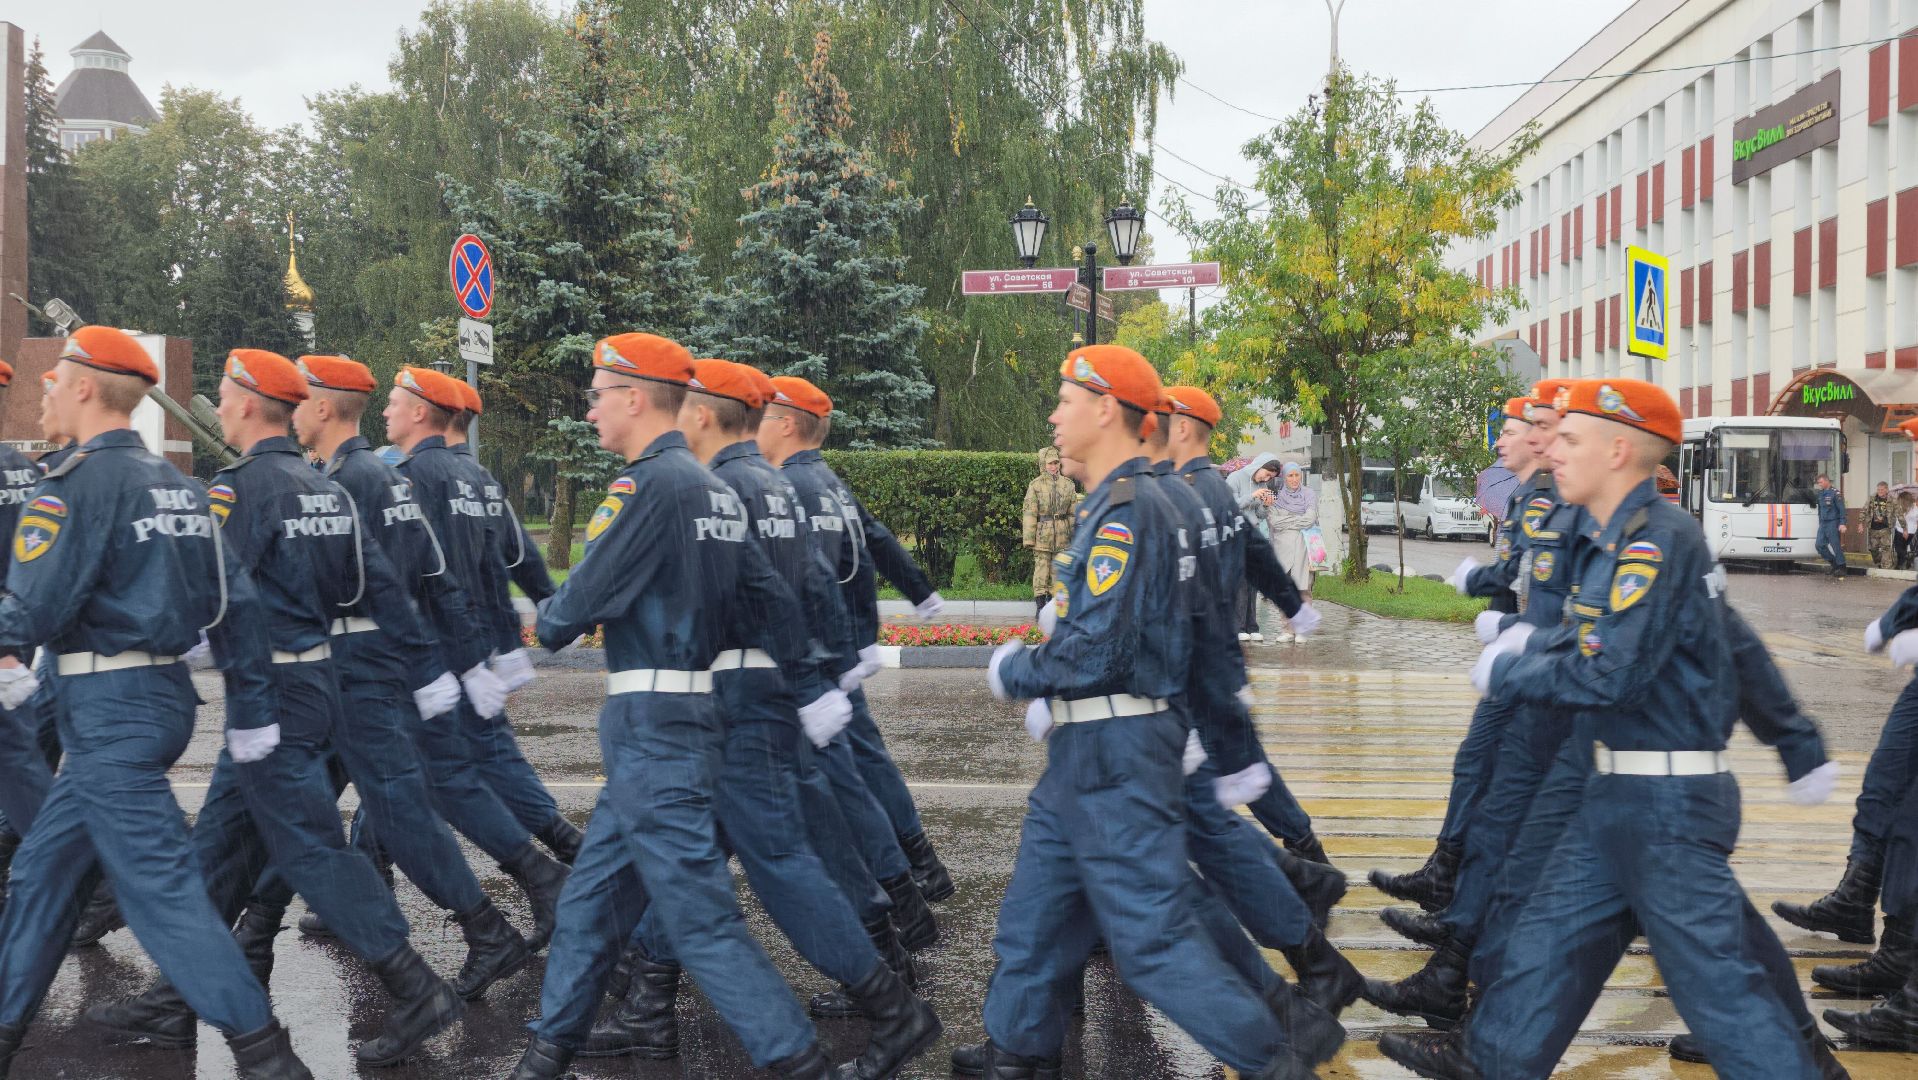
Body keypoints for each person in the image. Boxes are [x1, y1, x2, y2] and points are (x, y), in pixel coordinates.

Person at [86, 349, 464, 1068]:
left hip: (272, 700)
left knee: (309, 851)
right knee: (225, 845)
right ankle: (179, 994)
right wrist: (425, 667)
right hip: (315, 684)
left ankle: (413, 983)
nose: (219, 406)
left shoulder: (245, 488)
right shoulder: (321, 488)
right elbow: (375, 586)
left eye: (225, 395)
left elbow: (208, 590)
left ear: (251, 404)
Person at [969, 344, 1332, 1080]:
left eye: (1065, 401)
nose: (1053, 414)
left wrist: (1016, 670)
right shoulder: (1137, 501)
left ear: (1107, 410)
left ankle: (1275, 1055)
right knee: (1036, 918)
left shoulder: (1128, 513)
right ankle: (1018, 1049)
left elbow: (1093, 656)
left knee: (1152, 943)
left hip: (1112, 745)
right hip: (1100, 746)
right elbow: (1188, 631)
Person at [505, 333, 857, 1080]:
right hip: (675, 724)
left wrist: (556, 611)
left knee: (701, 923)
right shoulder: (710, 486)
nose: (591, 409)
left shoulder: (649, 487)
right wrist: (809, 684)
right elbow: (774, 601)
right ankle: (546, 1055)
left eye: (599, 394)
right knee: (591, 903)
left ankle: (799, 1062)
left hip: (656, 727)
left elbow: (566, 617)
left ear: (636, 397)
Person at [1453, 378, 1822, 1079]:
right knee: (1536, 970)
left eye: (1570, 438)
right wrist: (1529, 642)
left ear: (1618, 449)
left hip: (1667, 809)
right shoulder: (1609, 538)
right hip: (1616, 796)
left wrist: (1510, 671)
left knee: (1728, 1005)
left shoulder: (1657, 542)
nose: (1551, 449)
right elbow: (1656, 641)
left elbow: (1612, 674)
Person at [0, 326, 313, 1078]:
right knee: (40, 873)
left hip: (110, 713)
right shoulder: (179, 485)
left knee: (164, 899)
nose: (40, 390)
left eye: (54, 379)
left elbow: (28, 612)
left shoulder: (77, 484)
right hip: (152, 701)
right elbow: (235, 603)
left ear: (82, 387)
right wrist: (251, 710)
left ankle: (270, 1060)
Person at [1229, 453, 1280, 642]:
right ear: (1258, 466)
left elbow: (1259, 514)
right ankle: (1238, 626)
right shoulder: (1235, 478)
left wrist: (1266, 505)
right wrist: (1251, 496)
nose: (1265, 480)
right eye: (1266, 474)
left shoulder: (1262, 486)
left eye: (1269, 478)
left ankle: (1252, 626)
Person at [1022, 446, 1077, 621]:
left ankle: (1056, 608)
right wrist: (1029, 539)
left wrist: (1074, 536)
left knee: (1058, 572)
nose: (1054, 467)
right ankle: (1040, 606)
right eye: (1050, 463)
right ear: (1043, 465)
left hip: (1062, 535)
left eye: (1056, 463)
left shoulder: (1068, 485)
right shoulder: (1036, 485)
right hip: (1042, 535)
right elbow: (1030, 513)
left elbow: (1073, 512)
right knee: (1041, 571)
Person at [1267, 463, 1317, 642]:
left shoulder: (1309, 494)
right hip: (1283, 549)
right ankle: (1287, 629)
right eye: (1290, 475)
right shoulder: (1277, 497)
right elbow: (1274, 522)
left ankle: (1302, 630)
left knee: (1304, 589)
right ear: (1284, 477)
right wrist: (1299, 520)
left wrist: (1287, 520)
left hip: (1304, 550)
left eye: (1297, 475)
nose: (1294, 479)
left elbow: (1310, 519)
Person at [1816, 473, 1847, 578]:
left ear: (1826, 481)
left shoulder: (1835, 493)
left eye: (1820, 482)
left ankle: (1842, 567)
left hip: (1833, 522)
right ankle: (1834, 564)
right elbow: (1820, 509)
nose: (1819, 484)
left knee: (1835, 545)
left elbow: (1842, 509)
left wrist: (1842, 523)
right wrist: (1820, 522)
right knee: (1819, 545)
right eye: (1818, 482)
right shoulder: (1821, 493)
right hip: (1823, 523)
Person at [1870, 481, 1897, 569]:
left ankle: (1886, 566)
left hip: (1885, 528)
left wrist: (1904, 528)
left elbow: (1898, 513)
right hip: (1873, 528)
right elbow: (1865, 509)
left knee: (1886, 548)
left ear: (1886, 490)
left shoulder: (1892, 500)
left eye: (1882, 489)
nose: (1880, 491)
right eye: (1878, 489)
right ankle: (1880, 560)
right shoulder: (1872, 498)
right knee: (1873, 549)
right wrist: (1861, 523)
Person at [1896, 490, 1916, 571]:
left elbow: (1898, 520)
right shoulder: (1915, 508)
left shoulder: (1900, 508)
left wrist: (1905, 530)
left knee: (1898, 548)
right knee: (1906, 548)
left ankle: (1903, 560)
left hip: (1901, 531)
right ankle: (1901, 564)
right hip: (1912, 532)